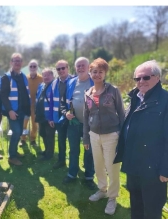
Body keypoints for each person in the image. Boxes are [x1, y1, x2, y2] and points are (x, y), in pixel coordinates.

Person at [114, 60, 168, 219]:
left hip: (153, 168)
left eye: (145, 78)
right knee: (136, 206)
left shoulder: (165, 101)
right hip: (134, 164)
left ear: (157, 78)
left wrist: (165, 169)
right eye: (137, 79)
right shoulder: (135, 97)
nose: (141, 82)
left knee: (152, 210)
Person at [83, 58, 125, 215]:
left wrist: (122, 135)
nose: (97, 74)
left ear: (105, 73)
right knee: (98, 165)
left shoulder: (113, 91)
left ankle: (112, 197)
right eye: (94, 71)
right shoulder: (88, 93)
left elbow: (121, 113)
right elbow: (86, 117)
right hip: (94, 135)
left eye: (100, 71)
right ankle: (102, 190)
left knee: (112, 167)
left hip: (111, 135)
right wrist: (86, 138)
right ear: (90, 73)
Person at [62, 57, 95, 190]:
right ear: (75, 68)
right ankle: (72, 174)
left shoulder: (95, 81)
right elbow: (63, 103)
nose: (80, 68)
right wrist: (65, 113)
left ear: (88, 67)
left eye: (83, 65)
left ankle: (88, 177)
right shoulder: (71, 82)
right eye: (78, 66)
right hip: (74, 123)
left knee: (89, 151)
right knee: (73, 150)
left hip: (90, 124)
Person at [1, 53, 31, 166]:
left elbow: (25, 93)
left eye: (19, 61)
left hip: (22, 110)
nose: (17, 63)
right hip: (13, 111)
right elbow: (3, 96)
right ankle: (12, 157)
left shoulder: (23, 76)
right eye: (15, 61)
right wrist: (10, 111)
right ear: (11, 62)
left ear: (22, 63)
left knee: (18, 133)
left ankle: (14, 152)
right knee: (16, 131)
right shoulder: (6, 77)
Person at [49, 59, 73, 169]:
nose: (61, 70)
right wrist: (51, 118)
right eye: (58, 69)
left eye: (63, 68)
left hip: (73, 116)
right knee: (61, 140)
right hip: (59, 117)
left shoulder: (75, 81)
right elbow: (51, 102)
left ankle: (74, 164)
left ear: (68, 68)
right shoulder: (54, 83)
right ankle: (61, 160)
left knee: (74, 142)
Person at [19, 59, 43, 147]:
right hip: (26, 105)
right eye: (31, 66)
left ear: (37, 67)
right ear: (28, 68)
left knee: (34, 124)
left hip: (36, 106)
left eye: (34, 66)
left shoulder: (42, 78)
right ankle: (23, 139)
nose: (33, 68)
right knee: (24, 123)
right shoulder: (25, 78)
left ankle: (33, 139)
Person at [35, 68, 55, 160]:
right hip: (41, 116)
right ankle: (46, 150)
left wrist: (52, 117)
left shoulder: (54, 86)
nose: (46, 77)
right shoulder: (41, 86)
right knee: (42, 134)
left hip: (49, 117)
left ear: (52, 76)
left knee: (49, 136)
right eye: (44, 75)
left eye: (48, 75)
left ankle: (49, 155)